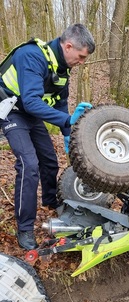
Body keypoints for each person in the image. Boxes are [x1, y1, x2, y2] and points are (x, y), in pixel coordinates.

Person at [0, 24, 95, 250]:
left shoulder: (62, 67)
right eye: (81, 57)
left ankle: (51, 204)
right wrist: (66, 120)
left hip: (29, 113)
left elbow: (60, 102)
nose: (81, 62)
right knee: (29, 164)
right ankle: (24, 228)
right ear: (69, 46)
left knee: (49, 161)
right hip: (9, 109)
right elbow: (32, 101)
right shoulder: (32, 56)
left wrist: (68, 133)